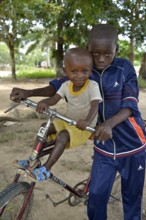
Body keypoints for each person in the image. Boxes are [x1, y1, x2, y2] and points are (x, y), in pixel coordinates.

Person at [10, 24, 146, 220]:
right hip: (103, 146)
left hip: (132, 145)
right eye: (95, 53)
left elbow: (130, 104)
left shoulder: (124, 68)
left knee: (132, 198)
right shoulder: (85, 68)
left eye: (107, 54)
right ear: (88, 47)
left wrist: (109, 124)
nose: (100, 59)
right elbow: (59, 86)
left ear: (117, 50)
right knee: (96, 197)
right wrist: (29, 93)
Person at [14, 47, 102, 182]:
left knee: (62, 136)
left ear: (90, 71)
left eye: (85, 71)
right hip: (68, 121)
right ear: (65, 71)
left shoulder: (92, 86)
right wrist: (45, 102)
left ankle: (45, 169)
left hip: (83, 127)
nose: (80, 75)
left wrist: (87, 121)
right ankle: (33, 160)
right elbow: (54, 98)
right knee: (44, 127)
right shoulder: (66, 85)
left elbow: (95, 104)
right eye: (74, 71)